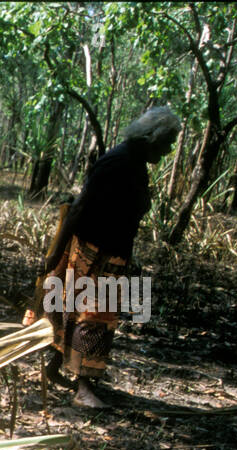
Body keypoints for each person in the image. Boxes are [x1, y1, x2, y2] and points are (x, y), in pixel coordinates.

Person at [26, 106, 181, 408]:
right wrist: (55, 253)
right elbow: (80, 208)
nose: (170, 149)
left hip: (112, 254)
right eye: (168, 141)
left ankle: (54, 368)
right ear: (152, 138)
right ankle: (83, 389)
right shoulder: (117, 162)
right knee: (92, 318)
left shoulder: (134, 162)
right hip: (93, 252)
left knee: (81, 312)